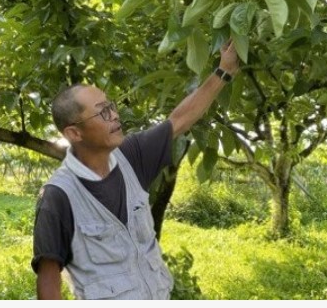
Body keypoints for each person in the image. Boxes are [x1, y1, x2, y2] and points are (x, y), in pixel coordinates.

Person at [32, 41, 240, 299]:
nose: (115, 116)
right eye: (102, 113)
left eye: (111, 107)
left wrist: (224, 71)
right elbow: (49, 279)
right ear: (74, 133)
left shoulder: (131, 155)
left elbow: (179, 120)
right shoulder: (58, 196)